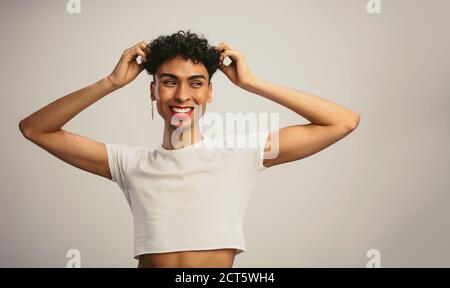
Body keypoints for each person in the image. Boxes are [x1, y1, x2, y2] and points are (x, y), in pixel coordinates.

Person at [18, 30, 360, 268]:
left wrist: (251, 82)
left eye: (196, 83)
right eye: (169, 82)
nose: (182, 95)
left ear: (210, 92)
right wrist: (111, 82)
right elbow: (35, 128)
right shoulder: (128, 163)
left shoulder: (241, 155)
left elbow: (342, 121)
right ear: (153, 91)